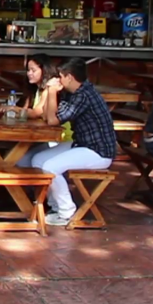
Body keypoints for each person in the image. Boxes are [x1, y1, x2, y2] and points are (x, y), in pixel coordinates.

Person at [20, 58, 118, 226]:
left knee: (49, 167)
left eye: (60, 76)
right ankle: (54, 206)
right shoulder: (73, 92)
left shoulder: (83, 95)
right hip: (82, 144)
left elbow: (52, 121)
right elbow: (48, 116)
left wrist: (51, 91)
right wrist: (53, 94)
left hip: (98, 151)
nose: (57, 79)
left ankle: (67, 211)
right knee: (37, 160)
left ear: (70, 77)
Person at [13, 54, 72, 165]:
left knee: (24, 161)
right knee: (20, 159)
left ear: (43, 70)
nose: (29, 73)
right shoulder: (35, 89)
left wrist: (12, 108)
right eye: (28, 70)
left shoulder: (50, 88)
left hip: (59, 138)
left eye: (33, 70)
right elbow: (25, 111)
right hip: (43, 137)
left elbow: (35, 113)